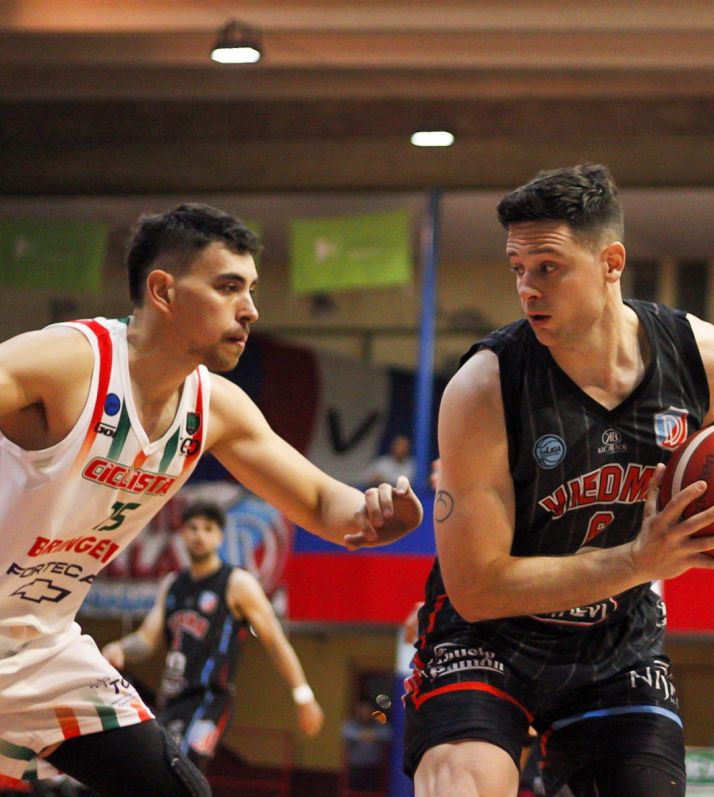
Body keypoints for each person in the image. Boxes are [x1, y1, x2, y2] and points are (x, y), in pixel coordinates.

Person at [402, 164, 714, 797]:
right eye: (518, 269)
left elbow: (695, 480)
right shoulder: (484, 387)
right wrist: (637, 560)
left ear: (611, 262)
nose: (528, 289)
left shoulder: (701, 358)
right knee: (465, 786)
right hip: (487, 638)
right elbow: (477, 590)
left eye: (548, 268)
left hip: (617, 641)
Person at [0, 204, 423, 797]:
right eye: (228, 288)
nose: (250, 309)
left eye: (251, 290)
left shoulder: (215, 407)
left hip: (41, 646)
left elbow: (322, 504)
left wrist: (375, 515)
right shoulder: (70, 363)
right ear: (163, 291)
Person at [101, 501, 325, 771]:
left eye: (208, 529)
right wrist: (120, 648)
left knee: (181, 768)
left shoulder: (237, 583)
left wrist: (303, 695)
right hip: (172, 700)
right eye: (193, 528)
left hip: (210, 700)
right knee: (158, 775)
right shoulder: (173, 584)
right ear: (183, 534)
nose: (199, 535)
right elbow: (146, 639)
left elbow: (275, 642)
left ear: (220, 536)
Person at [340, 699, 393, 793]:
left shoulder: (379, 725)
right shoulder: (350, 724)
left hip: (375, 768)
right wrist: (370, 736)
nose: (365, 713)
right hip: (355, 767)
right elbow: (347, 733)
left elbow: (388, 734)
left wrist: (366, 735)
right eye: (362, 710)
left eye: (367, 710)